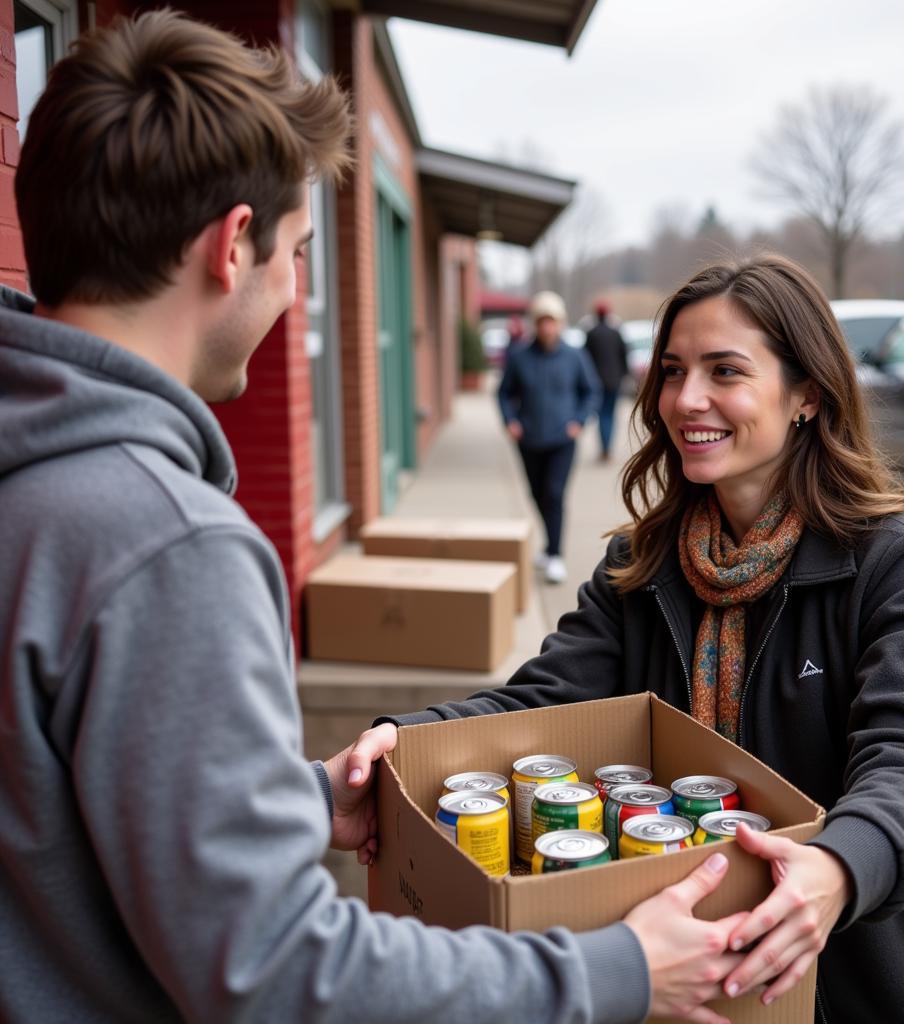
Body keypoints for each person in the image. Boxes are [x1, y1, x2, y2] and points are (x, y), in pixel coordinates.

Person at [0, 12, 756, 1024]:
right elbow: (280, 975)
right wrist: (615, 968)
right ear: (233, 246)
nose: (293, 290)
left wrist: (301, 801)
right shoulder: (166, 544)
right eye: (299, 252)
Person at [347, 255, 904, 1024]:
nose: (686, 399)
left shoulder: (892, 561)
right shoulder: (639, 568)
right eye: (672, 370)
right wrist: (400, 741)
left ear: (805, 394)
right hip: (705, 980)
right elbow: (539, 700)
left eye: (724, 370)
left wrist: (838, 866)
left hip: (877, 977)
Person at [499, 290, 600, 584]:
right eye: (541, 321)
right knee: (536, 494)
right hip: (529, 439)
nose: (547, 328)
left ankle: (555, 555)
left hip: (562, 440)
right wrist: (511, 420)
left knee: (554, 494)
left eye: (552, 321)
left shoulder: (574, 356)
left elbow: (591, 391)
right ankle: (549, 545)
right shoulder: (519, 357)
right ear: (535, 324)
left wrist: (579, 421)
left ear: (560, 323)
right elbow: (504, 393)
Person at [584, 299, 630, 461]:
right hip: (614, 381)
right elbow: (624, 355)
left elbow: (586, 359)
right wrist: (624, 375)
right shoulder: (616, 332)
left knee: (602, 415)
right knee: (610, 414)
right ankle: (607, 449)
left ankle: (604, 449)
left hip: (597, 382)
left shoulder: (591, 334)